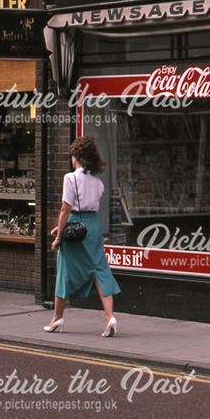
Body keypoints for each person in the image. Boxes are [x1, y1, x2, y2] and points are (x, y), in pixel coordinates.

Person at [45, 137, 120, 337]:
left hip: (75, 228)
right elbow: (87, 208)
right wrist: (58, 228)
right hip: (92, 227)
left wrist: (59, 236)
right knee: (99, 269)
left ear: (77, 157)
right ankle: (109, 317)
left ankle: (57, 318)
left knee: (64, 270)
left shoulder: (70, 178)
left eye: (72, 155)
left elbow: (66, 209)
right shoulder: (98, 182)